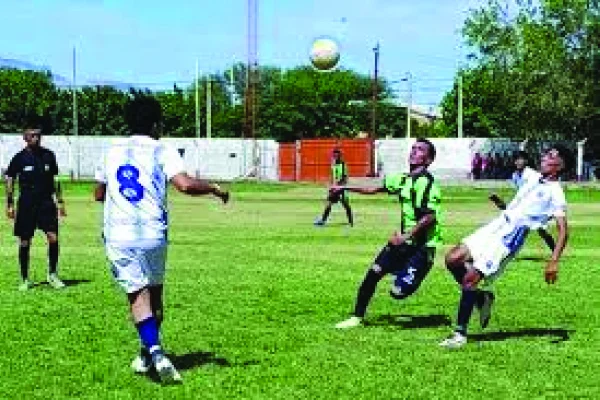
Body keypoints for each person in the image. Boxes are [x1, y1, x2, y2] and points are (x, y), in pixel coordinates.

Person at [94, 94, 230, 384]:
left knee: (137, 296)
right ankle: (147, 354)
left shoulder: (111, 151)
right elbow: (185, 184)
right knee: (154, 295)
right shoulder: (161, 149)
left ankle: (155, 352)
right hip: (154, 234)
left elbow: (98, 193)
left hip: (120, 235)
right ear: (156, 124)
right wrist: (215, 188)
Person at [440, 145, 571, 349]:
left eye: (551, 156)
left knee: (469, 279)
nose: (545, 157)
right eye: (546, 154)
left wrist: (553, 261)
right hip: (498, 224)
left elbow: (563, 230)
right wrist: (500, 201)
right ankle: (482, 297)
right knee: (452, 259)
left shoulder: (556, 193)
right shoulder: (532, 176)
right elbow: (518, 203)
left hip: (509, 237)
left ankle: (459, 334)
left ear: (560, 165)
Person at [334, 139, 442, 329]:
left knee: (398, 292)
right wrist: (343, 187)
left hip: (421, 248)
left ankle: (412, 271)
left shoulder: (426, 183)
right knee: (372, 274)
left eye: (420, 150)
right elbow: (373, 188)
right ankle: (357, 317)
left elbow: (430, 217)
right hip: (402, 243)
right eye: (413, 148)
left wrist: (406, 236)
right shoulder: (402, 179)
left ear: (429, 159)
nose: (414, 152)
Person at [4, 128, 67, 291]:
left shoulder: (48, 155)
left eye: (38, 135)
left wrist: (60, 202)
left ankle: (52, 274)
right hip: (26, 204)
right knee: (25, 241)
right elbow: (10, 179)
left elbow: (56, 179)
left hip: (46, 203)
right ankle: (25, 279)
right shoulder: (19, 158)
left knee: (53, 238)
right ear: (25, 138)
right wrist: (9, 204)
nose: (36, 138)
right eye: (32, 135)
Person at [489, 150, 555, 252]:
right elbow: (520, 192)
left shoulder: (533, 174)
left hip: (535, 205)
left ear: (526, 161)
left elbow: (545, 187)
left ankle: (555, 251)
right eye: (516, 160)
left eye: (521, 159)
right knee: (511, 224)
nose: (518, 162)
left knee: (541, 230)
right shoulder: (515, 175)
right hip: (524, 205)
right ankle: (503, 249)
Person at [314, 148, 353, 227]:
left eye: (337, 155)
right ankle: (323, 221)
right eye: (334, 155)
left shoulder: (343, 165)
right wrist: (331, 186)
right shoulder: (333, 165)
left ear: (340, 156)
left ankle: (350, 222)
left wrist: (338, 186)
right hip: (334, 188)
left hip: (341, 189)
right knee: (328, 204)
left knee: (346, 205)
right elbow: (332, 176)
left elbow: (344, 178)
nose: (335, 156)